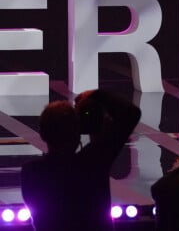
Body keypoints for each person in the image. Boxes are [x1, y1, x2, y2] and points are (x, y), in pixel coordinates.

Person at [20, 89, 142, 231]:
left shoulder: (31, 172)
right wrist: (96, 94)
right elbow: (131, 114)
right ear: (77, 132)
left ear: (42, 134)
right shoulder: (92, 163)